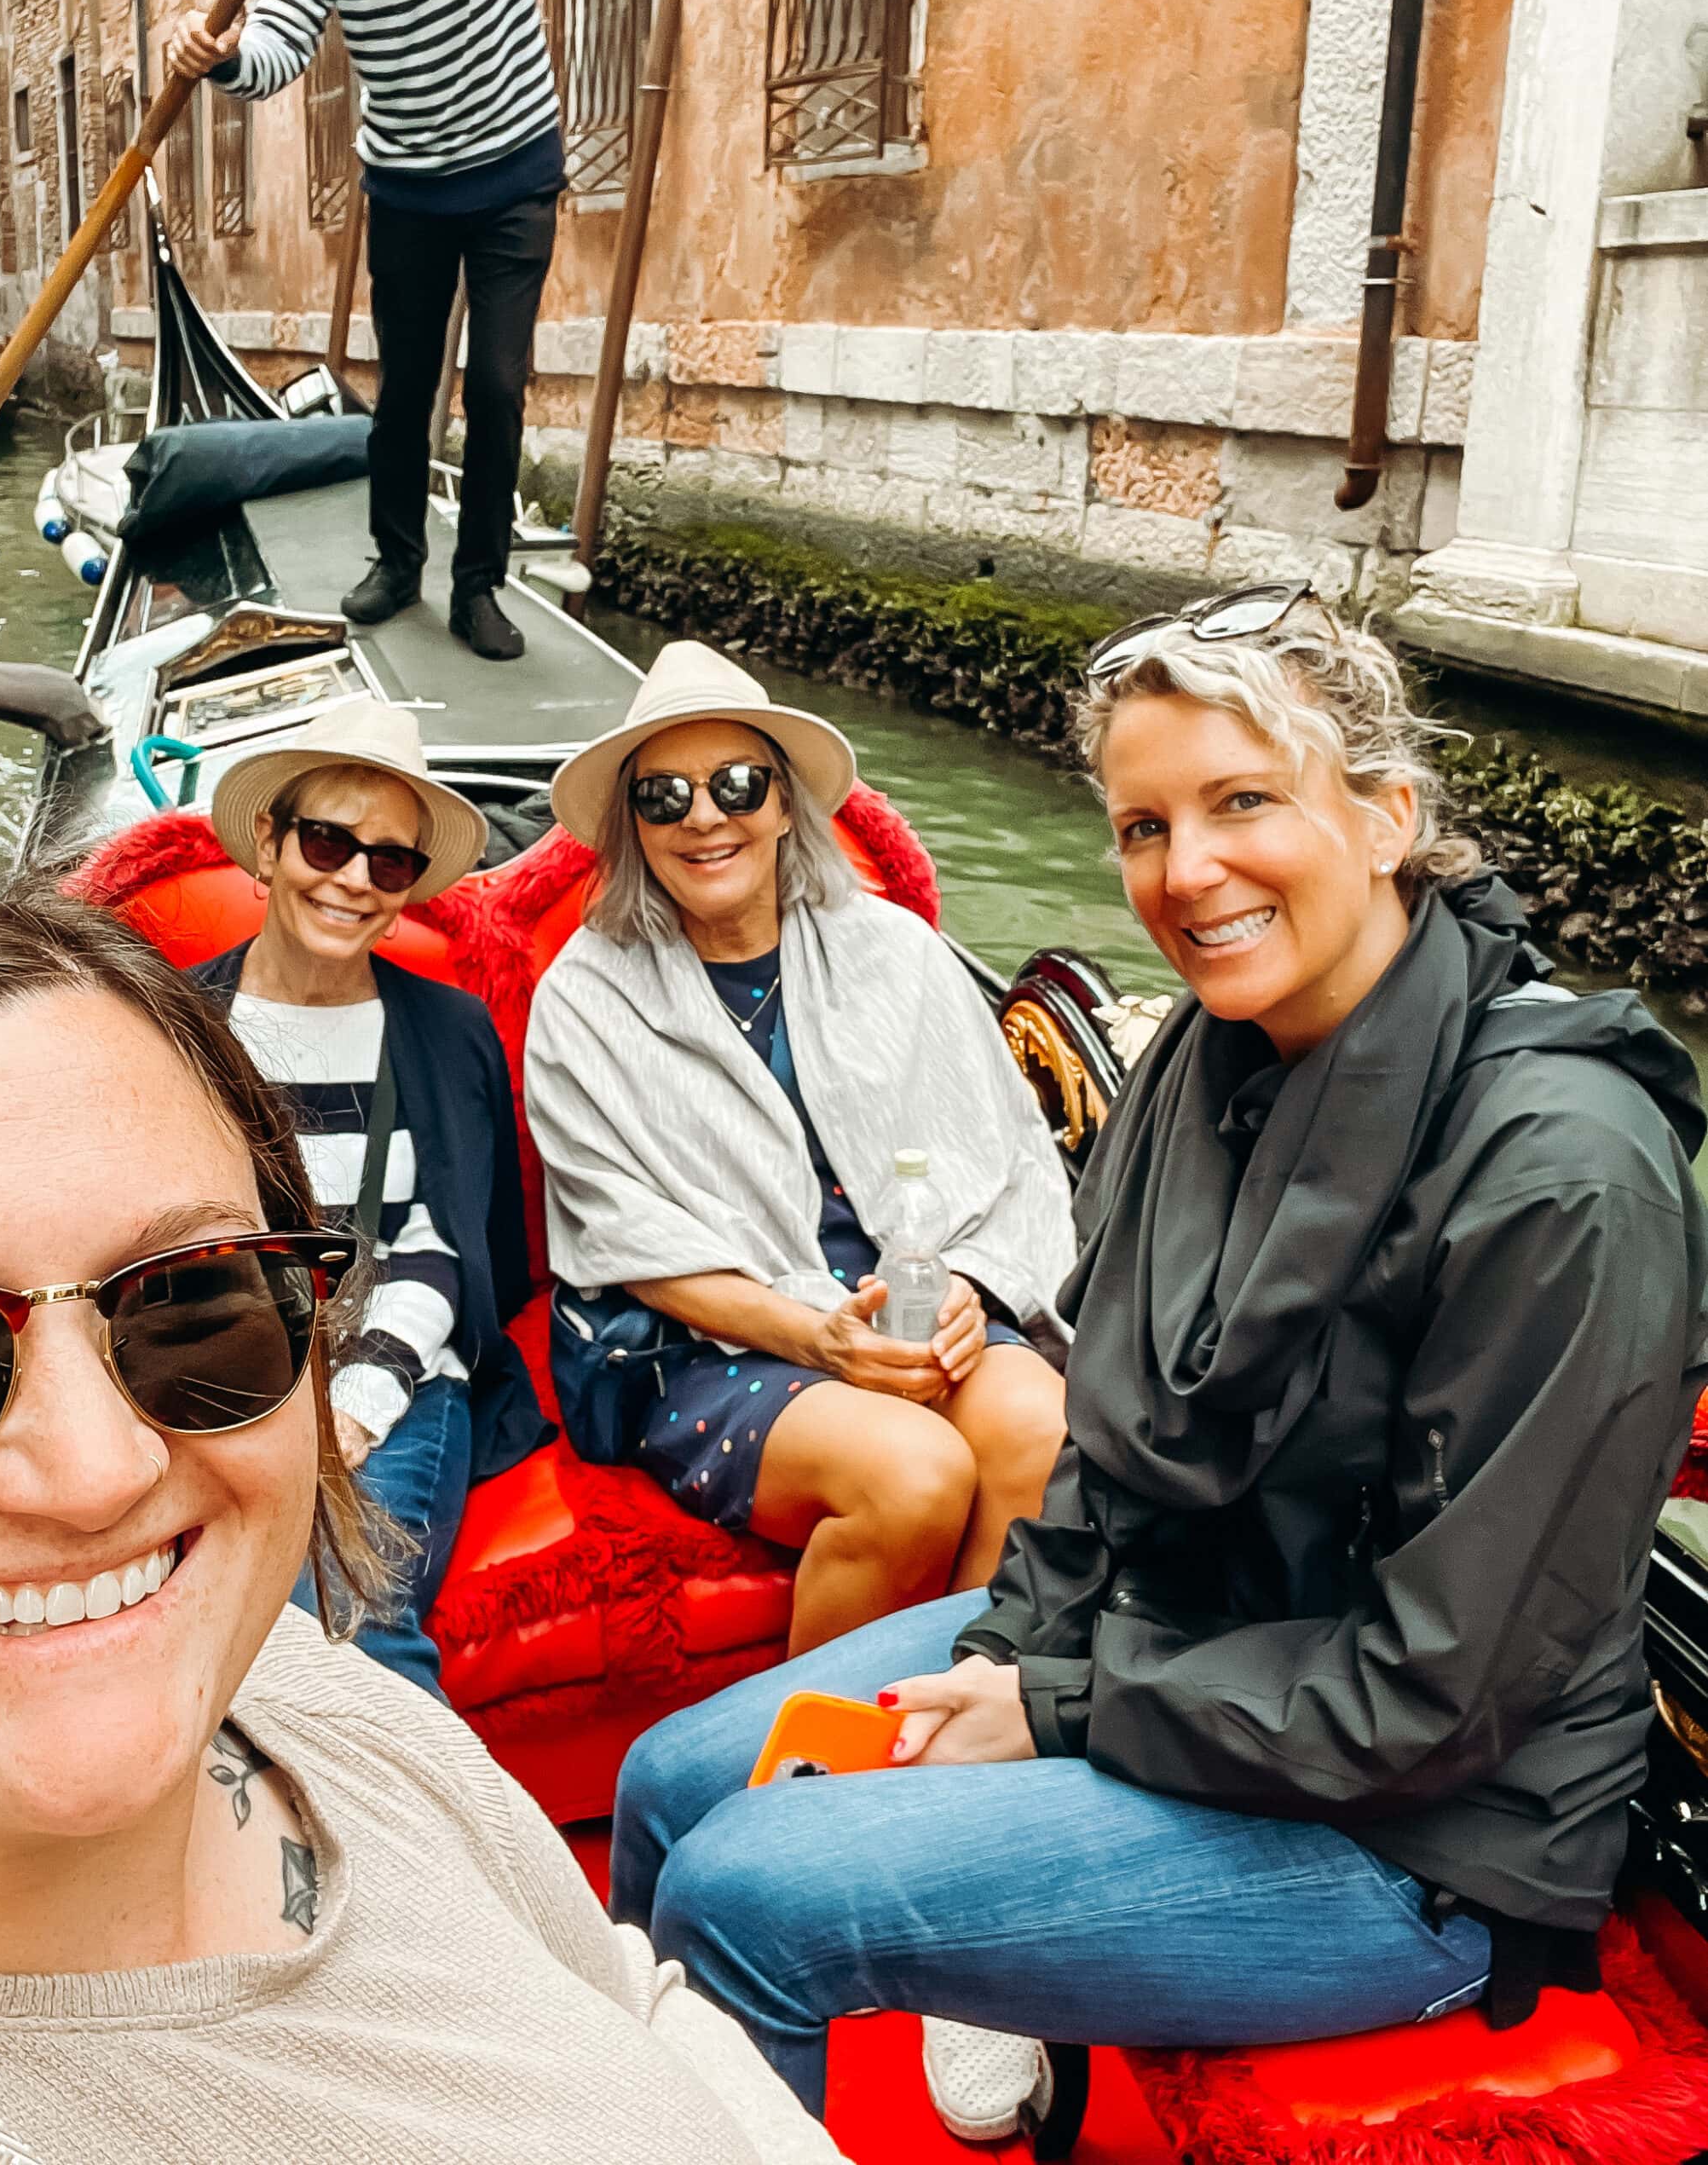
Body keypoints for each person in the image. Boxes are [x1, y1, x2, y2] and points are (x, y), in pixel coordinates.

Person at [608, 591, 1708, 2129]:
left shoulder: (1565, 1178)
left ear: (1388, 818)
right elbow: (1107, 1445)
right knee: (667, 1785)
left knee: (744, 1893)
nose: (1185, 876)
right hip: (1173, 1643)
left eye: (1243, 803)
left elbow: (1439, 1696)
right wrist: (1013, 1652)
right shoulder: (1206, 1055)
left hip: (1423, 1838)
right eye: (1142, 826)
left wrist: (1055, 1711)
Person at [0, 882, 840, 2164]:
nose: (96, 1473)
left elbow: (625, 1999)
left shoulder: (300, 1690)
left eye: (195, 1305)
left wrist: (376, 1380)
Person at [524, 641, 1076, 1659]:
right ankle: (807, 1790)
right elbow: (634, 1245)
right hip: (697, 1342)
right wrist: (821, 1339)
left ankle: (936, 1749)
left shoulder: (898, 950)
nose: (704, 817)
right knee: (912, 1475)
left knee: (1045, 1431)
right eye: (664, 796)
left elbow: (1011, 1161)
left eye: (737, 784)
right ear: (631, 826)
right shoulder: (585, 997)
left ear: (784, 803)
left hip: (906, 1303)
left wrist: (967, 1293)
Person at [165, 0, 561, 666]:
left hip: (514, 167)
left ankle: (479, 586)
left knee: (502, 387)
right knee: (405, 389)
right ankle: (397, 562)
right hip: (411, 190)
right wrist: (218, 60)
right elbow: (281, 52)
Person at [193, 696, 550, 1702]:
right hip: (222, 1386)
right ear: (270, 842)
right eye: (328, 841)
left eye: (387, 861)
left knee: (353, 1623)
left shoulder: (448, 1031)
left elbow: (448, 1249)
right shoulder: (176, 1021)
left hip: (396, 1380)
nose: (353, 879)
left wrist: (355, 1402)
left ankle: (447, 1856)